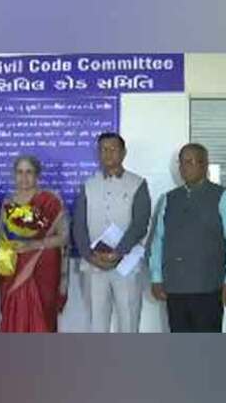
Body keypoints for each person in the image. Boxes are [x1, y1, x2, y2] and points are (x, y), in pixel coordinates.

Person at [148, 144, 226, 332]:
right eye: (182, 162)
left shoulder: (222, 197)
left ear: (204, 165)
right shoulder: (168, 199)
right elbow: (158, 241)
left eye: (190, 162)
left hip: (209, 288)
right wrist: (156, 277)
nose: (184, 167)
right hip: (175, 288)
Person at [73, 132, 151, 333]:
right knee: (97, 323)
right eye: (103, 149)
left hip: (126, 264)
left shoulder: (138, 183)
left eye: (113, 149)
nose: (108, 154)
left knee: (129, 320)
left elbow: (141, 223)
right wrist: (90, 256)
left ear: (123, 153)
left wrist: (119, 252)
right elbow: (79, 225)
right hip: (94, 264)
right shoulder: (88, 185)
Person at [0, 155, 69, 332]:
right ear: (14, 175)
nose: (24, 177)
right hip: (14, 267)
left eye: (29, 172)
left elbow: (63, 237)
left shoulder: (51, 201)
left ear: (37, 175)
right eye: (19, 172)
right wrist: (8, 247)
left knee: (42, 315)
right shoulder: (8, 203)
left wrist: (33, 245)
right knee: (15, 316)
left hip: (43, 269)